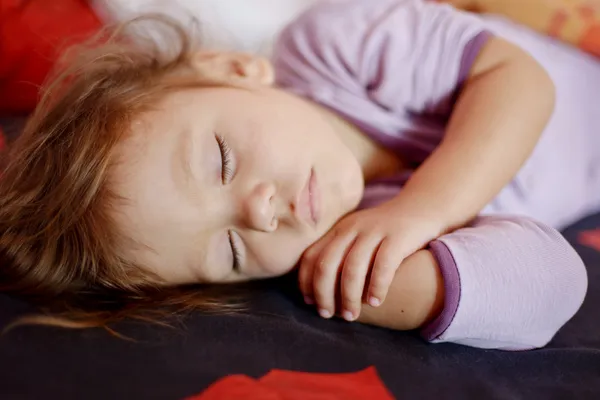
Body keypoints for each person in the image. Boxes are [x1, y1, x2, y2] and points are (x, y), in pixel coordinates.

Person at [0, 0, 594, 350]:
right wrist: (378, 288)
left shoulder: (330, 44)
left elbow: (521, 81)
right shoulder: (333, 253)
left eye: (222, 161)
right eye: (232, 251)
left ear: (234, 69)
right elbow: (556, 286)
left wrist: (422, 210)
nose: (259, 215)